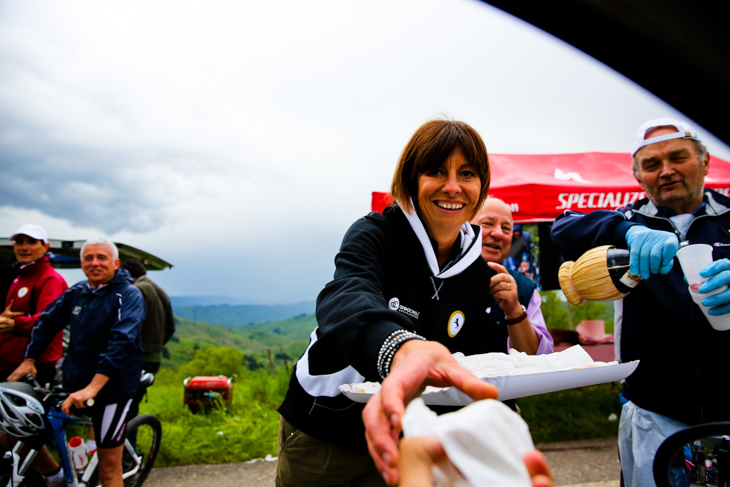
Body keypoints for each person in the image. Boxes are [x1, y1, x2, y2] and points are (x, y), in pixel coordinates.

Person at [277, 119, 546, 487]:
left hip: (409, 434)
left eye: (466, 173)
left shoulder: (480, 274)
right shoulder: (377, 233)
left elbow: (477, 362)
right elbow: (346, 296)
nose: (453, 187)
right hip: (328, 427)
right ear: (410, 179)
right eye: (436, 171)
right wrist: (402, 349)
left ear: (481, 186)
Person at [550, 118, 730, 487]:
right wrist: (626, 231)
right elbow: (563, 228)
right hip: (654, 412)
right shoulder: (629, 221)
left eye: (678, 157)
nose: (666, 170)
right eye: (651, 164)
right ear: (638, 176)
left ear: (705, 162)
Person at [8, 238, 146, 487]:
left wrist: (93, 387)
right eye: (89, 258)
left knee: (108, 469)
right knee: (31, 429)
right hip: (76, 382)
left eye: (101, 258)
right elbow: (47, 322)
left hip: (113, 389)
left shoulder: (128, 295)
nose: (95, 263)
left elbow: (122, 341)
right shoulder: (78, 291)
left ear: (115, 263)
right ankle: (59, 476)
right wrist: (29, 359)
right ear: (81, 263)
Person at [0, 224, 68, 486]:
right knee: (15, 429)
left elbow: (48, 320)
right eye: (19, 242)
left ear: (45, 246)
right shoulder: (21, 276)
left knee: (22, 430)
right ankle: (49, 476)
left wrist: (15, 324)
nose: (24, 247)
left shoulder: (48, 279)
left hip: (31, 366)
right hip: (10, 363)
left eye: (31, 242)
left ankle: (53, 476)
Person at [470, 198, 553, 355]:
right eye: (487, 223)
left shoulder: (525, 289)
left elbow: (539, 357)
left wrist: (514, 311)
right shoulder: (436, 276)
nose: (498, 233)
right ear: (464, 227)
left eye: (506, 228)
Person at [121, 258, 175, 375]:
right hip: (154, 357)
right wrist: (155, 345)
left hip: (138, 357)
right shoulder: (158, 290)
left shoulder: (136, 290)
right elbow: (171, 327)